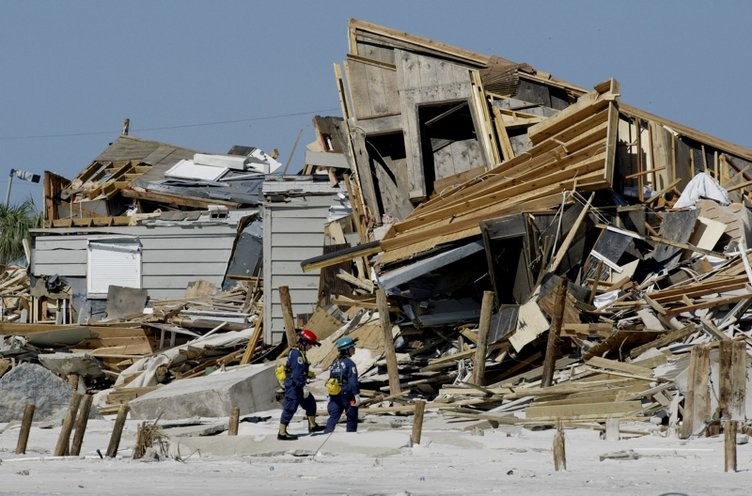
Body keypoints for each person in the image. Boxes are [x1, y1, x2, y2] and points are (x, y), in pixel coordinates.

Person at [277, 328, 325, 440]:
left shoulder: (300, 353)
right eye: (310, 344)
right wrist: (303, 386)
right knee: (290, 407)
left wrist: (308, 374)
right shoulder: (296, 355)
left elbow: (300, 371)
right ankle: (282, 432)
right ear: (304, 343)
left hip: (298, 384)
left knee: (310, 403)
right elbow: (297, 373)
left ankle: (312, 425)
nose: (311, 347)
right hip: (294, 386)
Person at [324, 336, 361, 433]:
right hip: (348, 395)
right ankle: (351, 435)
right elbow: (353, 381)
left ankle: (327, 432)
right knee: (352, 415)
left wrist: (330, 394)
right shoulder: (350, 364)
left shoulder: (335, 363)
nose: (354, 349)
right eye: (352, 348)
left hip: (335, 393)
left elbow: (331, 379)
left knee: (334, 415)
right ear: (346, 350)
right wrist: (356, 394)